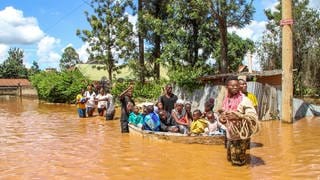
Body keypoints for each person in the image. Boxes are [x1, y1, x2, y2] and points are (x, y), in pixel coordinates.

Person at [219, 76, 259, 166]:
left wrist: (238, 117)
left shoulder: (244, 100)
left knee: (238, 164)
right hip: (230, 136)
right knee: (230, 161)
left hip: (239, 137)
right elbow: (223, 113)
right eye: (232, 86)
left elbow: (253, 116)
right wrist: (222, 119)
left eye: (236, 85)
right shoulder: (226, 100)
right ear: (227, 87)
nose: (235, 87)